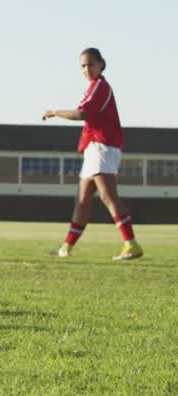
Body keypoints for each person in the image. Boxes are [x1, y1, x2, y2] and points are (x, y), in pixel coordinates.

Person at [41, 48, 143, 260]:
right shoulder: (93, 87)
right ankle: (66, 248)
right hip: (93, 149)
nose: (86, 69)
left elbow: (81, 114)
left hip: (103, 146)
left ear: (101, 64)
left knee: (108, 196)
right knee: (83, 200)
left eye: (90, 64)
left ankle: (131, 243)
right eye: (83, 66)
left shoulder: (100, 87)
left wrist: (53, 112)